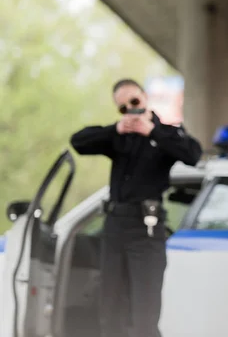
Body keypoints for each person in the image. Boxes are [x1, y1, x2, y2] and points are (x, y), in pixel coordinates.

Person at [70, 78, 202, 337]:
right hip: (115, 227)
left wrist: (151, 131)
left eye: (134, 101)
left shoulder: (166, 133)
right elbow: (79, 141)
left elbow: (192, 154)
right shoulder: (119, 136)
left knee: (144, 313)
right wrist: (116, 129)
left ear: (144, 97)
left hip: (146, 231)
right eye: (123, 107)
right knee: (110, 309)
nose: (131, 109)